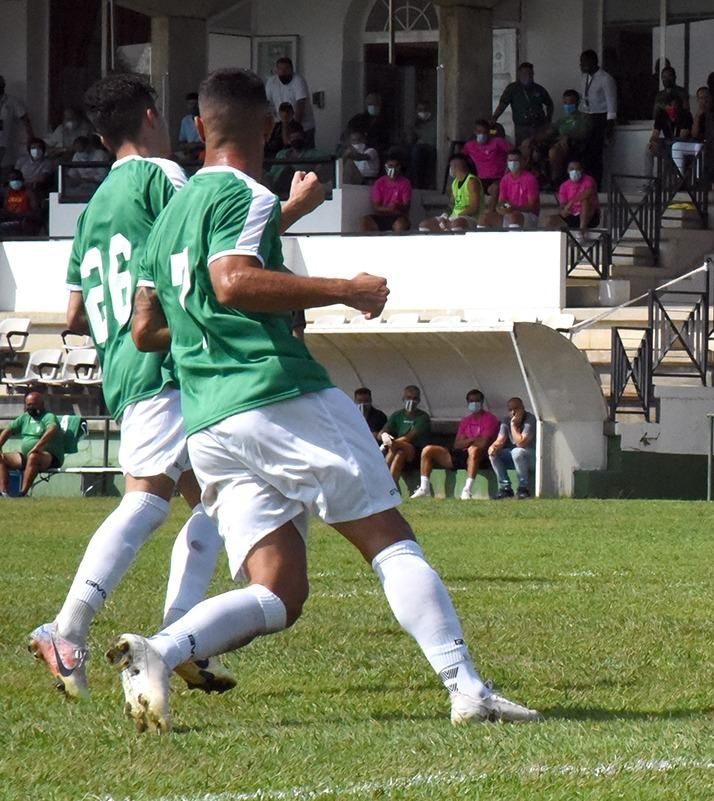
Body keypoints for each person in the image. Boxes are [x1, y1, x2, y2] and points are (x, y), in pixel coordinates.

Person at [118, 67, 537, 733]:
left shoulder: (166, 219)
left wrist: (225, 315)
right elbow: (232, 282)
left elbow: (147, 328)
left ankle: (159, 651)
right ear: (271, 127)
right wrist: (345, 288)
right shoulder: (249, 196)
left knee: (280, 591)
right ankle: (468, 688)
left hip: (209, 421)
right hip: (277, 396)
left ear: (198, 129)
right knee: (390, 540)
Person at [29, 72, 324, 701]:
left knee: (207, 506)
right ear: (152, 115)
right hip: (167, 365)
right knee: (146, 502)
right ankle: (67, 628)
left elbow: (76, 315)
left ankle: (173, 640)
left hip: (123, 366)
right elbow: (202, 255)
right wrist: (294, 209)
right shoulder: (165, 176)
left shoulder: (92, 208)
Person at [411, 389, 500, 500]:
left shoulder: (490, 419)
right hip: (460, 454)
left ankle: (467, 489)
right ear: (467, 403)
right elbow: (457, 444)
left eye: (477, 401)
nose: (474, 404)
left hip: (481, 455)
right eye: (471, 401)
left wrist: (467, 441)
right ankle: (424, 488)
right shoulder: (466, 421)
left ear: (482, 402)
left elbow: (483, 443)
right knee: (428, 450)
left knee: (474, 449)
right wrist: (473, 439)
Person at [0, 391, 62, 497]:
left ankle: (22, 493)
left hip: (48, 456)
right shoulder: (25, 417)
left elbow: (52, 429)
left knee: (33, 456)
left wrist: (37, 447)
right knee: (1, 457)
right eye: (28, 405)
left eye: (34, 404)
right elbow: (8, 430)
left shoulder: (48, 416)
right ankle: (4, 492)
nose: (30, 407)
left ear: (42, 404)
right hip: (27, 456)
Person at [492, 63, 553, 150]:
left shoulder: (539, 89)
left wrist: (548, 119)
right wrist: (494, 117)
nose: (527, 76)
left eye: (530, 73)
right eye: (524, 73)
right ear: (519, 74)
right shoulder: (512, 88)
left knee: (539, 150)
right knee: (523, 150)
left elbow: (550, 104)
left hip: (539, 126)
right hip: (522, 128)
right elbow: (503, 104)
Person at [578, 49, 617, 184]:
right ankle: (585, 182)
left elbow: (611, 103)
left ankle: (596, 184)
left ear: (593, 62)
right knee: (585, 153)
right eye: (580, 62)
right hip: (587, 117)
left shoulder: (606, 78)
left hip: (600, 119)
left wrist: (609, 125)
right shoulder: (584, 78)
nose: (581, 65)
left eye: (584, 62)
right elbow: (583, 99)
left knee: (596, 154)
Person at [418, 153, 481, 232]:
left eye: (451, 166)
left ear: (457, 166)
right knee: (425, 225)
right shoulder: (455, 183)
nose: (450, 169)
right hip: (454, 217)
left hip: (470, 218)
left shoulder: (472, 181)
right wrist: (445, 216)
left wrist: (455, 218)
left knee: (456, 224)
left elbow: (474, 208)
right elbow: (451, 205)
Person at [488, 397, 536, 499]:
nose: (513, 412)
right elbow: (500, 440)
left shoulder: (530, 420)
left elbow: (521, 443)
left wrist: (513, 425)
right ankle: (505, 488)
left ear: (523, 408)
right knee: (494, 453)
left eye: (516, 409)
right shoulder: (506, 421)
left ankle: (523, 488)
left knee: (517, 451)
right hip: (516, 458)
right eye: (510, 410)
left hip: (533, 458)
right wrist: (493, 447)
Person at [381, 385, 430, 483]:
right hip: (399, 450)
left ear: (419, 400)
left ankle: (381, 478)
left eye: (415, 398)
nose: (411, 401)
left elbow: (409, 438)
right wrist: (384, 435)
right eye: (408, 398)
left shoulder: (423, 417)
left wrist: (391, 443)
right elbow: (382, 432)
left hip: (416, 451)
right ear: (403, 399)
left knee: (395, 447)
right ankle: (391, 484)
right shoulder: (397, 415)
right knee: (400, 453)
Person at [481, 150, 540, 229]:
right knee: (485, 218)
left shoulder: (530, 179)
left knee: (515, 216)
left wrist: (514, 208)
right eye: (510, 160)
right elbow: (502, 203)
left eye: (516, 160)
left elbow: (532, 206)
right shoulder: (505, 179)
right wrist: (503, 208)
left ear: (523, 162)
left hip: (528, 215)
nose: (513, 163)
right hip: (510, 213)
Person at [546, 90, 592, 185]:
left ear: (577, 103)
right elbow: (552, 131)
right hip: (558, 143)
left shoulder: (583, 117)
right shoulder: (562, 120)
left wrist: (568, 136)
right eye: (565, 103)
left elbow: (583, 133)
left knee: (553, 152)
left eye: (570, 103)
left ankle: (555, 179)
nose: (567, 105)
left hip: (574, 145)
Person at [265, 57, 312, 146]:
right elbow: (266, 103)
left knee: (305, 155)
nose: (283, 72)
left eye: (286, 69)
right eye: (280, 69)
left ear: (291, 69)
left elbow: (300, 105)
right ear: (276, 70)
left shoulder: (298, 81)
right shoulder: (271, 82)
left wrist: (293, 131)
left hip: (303, 126)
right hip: (281, 125)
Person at [463, 118, 510, 204]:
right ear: (474, 132)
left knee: (496, 190)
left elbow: (514, 153)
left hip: (498, 178)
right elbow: (460, 158)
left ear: (489, 132)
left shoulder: (498, 142)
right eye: (479, 132)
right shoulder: (470, 146)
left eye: (485, 132)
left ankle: (492, 212)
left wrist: (509, 169)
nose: (482, 135)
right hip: (481, 179)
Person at [363, 149, 411, 233]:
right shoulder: (379, 183)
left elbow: (406, 206)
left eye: (396, 166)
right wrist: (389, 209)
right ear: (385, 167)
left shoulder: (405, 183)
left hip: (398, 217)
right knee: (365, 221)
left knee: (401, 224)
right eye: (390, 166)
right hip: (382, 216)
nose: (393, 169)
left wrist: (398, 206)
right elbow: (376, 207)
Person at [0, 75, 34, 169]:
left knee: (6, 168)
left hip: (4, 142)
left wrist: (31, 137)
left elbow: (25, 119)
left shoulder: (12, 101)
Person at [555, 160, 598, 234]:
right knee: (549, 220)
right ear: (568, 170)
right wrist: (564, 210)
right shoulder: (564, 186)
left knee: (584, 201)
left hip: (589, 216)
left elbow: (588, 192)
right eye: (572, 169)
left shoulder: (588, 180)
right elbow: (563, 204)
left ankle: (581, 233)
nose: (574, 171)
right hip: (572, 215)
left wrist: (571, 202)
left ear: (581, 170)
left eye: (577, 169)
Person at [0, 167, 40, 236]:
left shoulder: (29, 193)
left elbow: (35, 212)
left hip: (23, 221)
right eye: (12, 179)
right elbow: (5, 208)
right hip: (9, 219)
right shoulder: (7, 193)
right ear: (9, 181)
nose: (15, 181)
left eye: (17, 179)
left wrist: (18, 215)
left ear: (22, 180)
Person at [406, 100, 436, 189]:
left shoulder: (435, 122)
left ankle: (419, 184)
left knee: (417, 151)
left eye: (425, 109)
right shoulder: (416, 123)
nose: (423, 112)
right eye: (420, 110)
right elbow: (409, 140)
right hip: (418, 147)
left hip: (430, 147)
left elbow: (431, 139)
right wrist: (411, 129)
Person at [177, 92, 203, 159]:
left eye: (196, 104)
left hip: (203, 151)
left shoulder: (206, 119)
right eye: (190, 104)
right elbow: (181, 142)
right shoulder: (185, 120)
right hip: (189, 152)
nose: (193, 107)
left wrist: (197, 145)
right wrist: (187, 146)